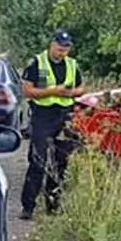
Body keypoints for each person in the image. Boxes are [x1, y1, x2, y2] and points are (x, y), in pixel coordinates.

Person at [18, 30, 85, 219]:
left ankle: (53, 206)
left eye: (66, 49)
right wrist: (52, 91)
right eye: (59, 48)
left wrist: (70, 94)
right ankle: (28, 207)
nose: (62, 52)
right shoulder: (37, 62)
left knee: (60, 163)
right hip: (43, 116)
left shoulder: (72, 64)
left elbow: (81, 88)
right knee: (38, 161)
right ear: (51, 44)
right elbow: (27, 90)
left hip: (65, 116)